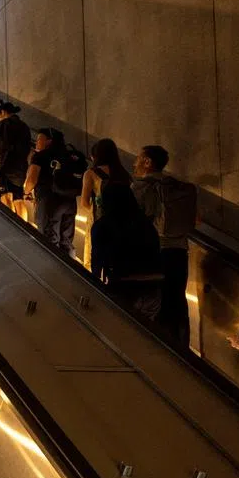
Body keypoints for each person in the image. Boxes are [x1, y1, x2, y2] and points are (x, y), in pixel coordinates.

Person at [132, 145, 198, 344]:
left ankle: (165, 348)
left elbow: (133, 221)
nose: (135, 162)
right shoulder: (178, 187)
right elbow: (196, 219)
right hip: (180, 250)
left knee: (160, 300)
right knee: (178, 299)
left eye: (139, 157)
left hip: (157, 250)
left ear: (147, 162)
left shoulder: (141, 187)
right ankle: (183, 346)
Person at [90, 182, 163, 321]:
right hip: (153, 289)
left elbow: (97, 262)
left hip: (124, 288)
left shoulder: (103, 226)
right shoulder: (145, 224)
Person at [79, 138, 132, 268]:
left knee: (93, 260)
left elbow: (84, 202)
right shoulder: (124, 174)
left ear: (95, 156)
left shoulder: (91, 174)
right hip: (121, 224)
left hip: (98, 221)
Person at [25, 127, 78, 255]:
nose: (36, 142)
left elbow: (32, 179)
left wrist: (26, 192)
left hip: (49, 202)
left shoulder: (40, 156)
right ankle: (70, 270)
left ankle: (51, 272)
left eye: (39, 139)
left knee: (49, 240)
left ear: (49, 141)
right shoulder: (69, 156)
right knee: (67, 241)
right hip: (70, 202)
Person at [0, 102, 31, 218]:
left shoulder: (5, 124)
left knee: (5, 197)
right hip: (21, 168)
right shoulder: (24, 126)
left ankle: (10, 226)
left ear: (2, 112)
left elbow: (3, 148)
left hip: (6, 168)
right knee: (18, 199)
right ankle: (24, 228)